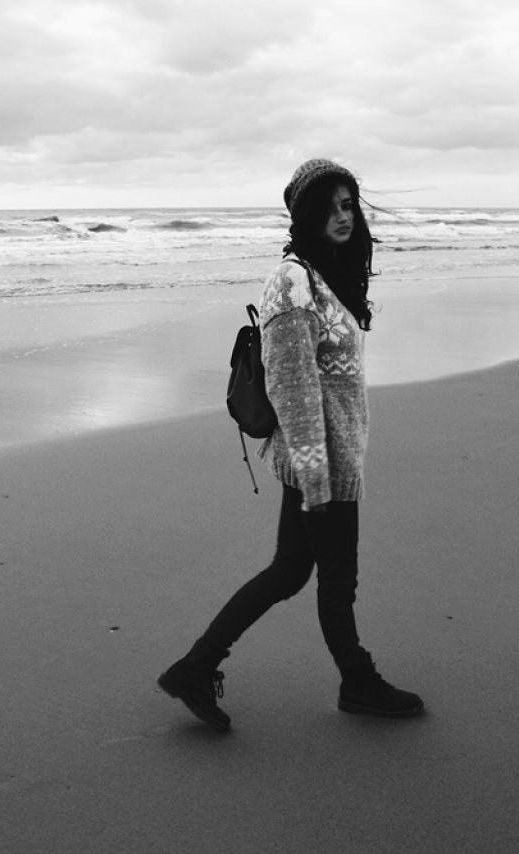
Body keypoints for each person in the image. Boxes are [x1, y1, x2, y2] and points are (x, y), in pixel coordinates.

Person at [157, 159, 423, 732]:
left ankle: (195, 667)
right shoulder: (292, 281)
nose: (343, 216)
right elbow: (291, 384)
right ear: (305, 215)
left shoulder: (322, 276)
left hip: (331, 457)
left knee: (289, 572)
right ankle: (358, 682)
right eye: (329, 207)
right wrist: (315, 474)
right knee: (336, 581)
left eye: (348, 205)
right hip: (319, 462)